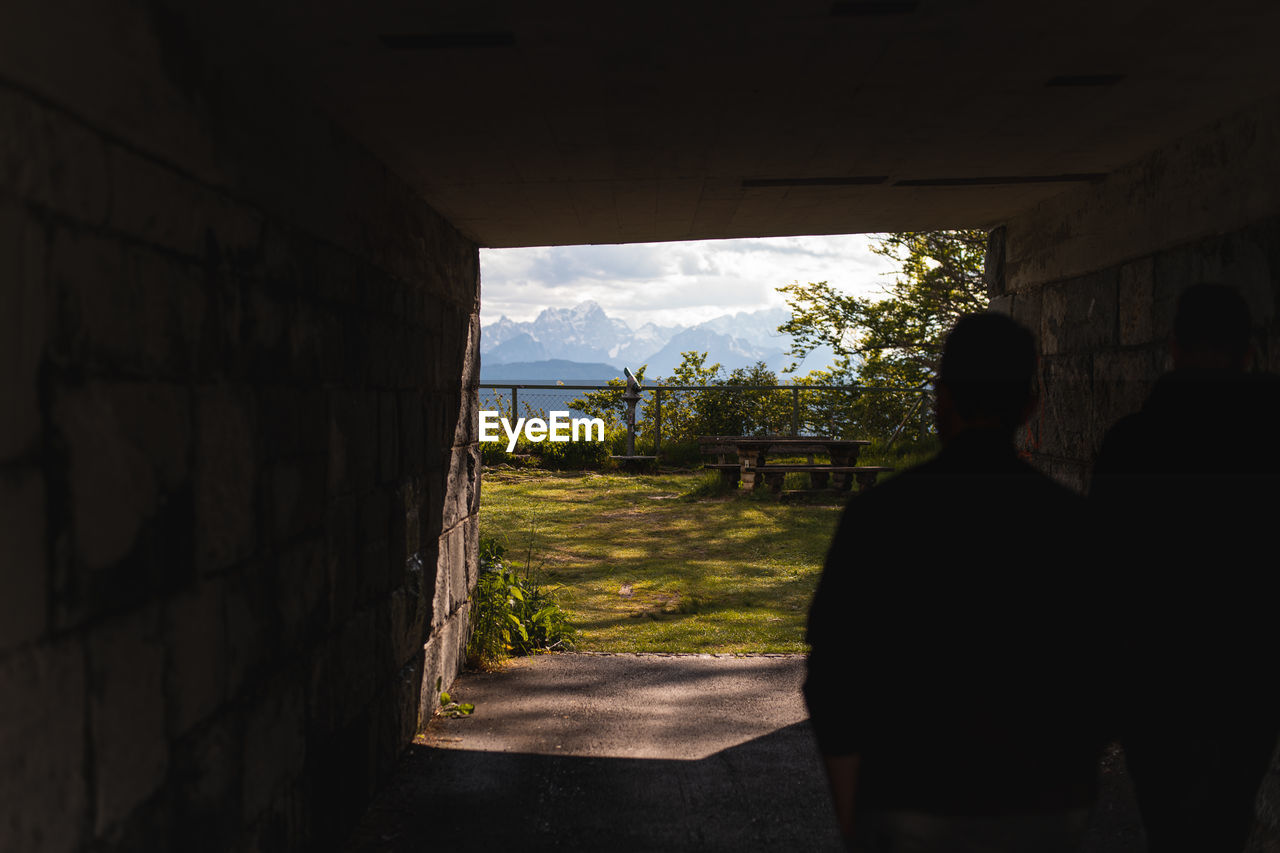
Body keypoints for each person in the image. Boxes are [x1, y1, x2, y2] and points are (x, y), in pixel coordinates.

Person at [804, 312, 1110, 853]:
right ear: (1030, 406)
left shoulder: (878, 518)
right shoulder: (1073, 523)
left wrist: (852, 808)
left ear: (941, 400)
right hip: (1047, 800)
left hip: (912, 794)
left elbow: (834, 673)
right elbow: (1111, 666)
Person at [1090, 283, 1280, 853]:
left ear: (1173, 346)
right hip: (1254, 663)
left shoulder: (1132, 443)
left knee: (1169, 819)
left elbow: (1105, 567)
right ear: (1249, 352)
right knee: (1229, 809)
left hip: (1156, 667)